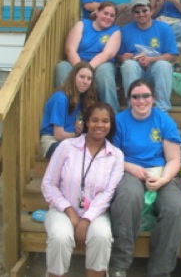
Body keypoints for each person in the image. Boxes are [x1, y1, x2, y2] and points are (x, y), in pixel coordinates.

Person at [109, 79, 181, 277]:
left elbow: (173, 159)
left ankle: (160, 271)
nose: (141, 100)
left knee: (176, 209)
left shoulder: (164, 121)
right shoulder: (119, 121)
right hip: (129, 170)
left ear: (153, 98)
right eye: (136, 96)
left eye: (146, 96)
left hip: (161, 172)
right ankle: (120, 264)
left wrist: (163, 179)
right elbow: (111, 157)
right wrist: (130, 167)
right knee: (128, 197)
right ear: (129, 100)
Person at [41, 102, 124, 277]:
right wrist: (70, 211)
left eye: (105, 121)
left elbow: (108, 193)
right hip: (62, 209)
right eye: (94, 120)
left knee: (101, 237)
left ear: (111, 125)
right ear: (86, 122)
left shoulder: (116, 155)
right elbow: (48, 183)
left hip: (96, 212)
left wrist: (86, 219)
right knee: (60, 237)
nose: (100, 125)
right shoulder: (66, 147)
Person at [55, 1, 121, 114]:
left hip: (100, 65)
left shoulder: (115, 31)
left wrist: (86, 70)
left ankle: (112, 114)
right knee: (62, 67)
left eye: (112, 15)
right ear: (97, 12)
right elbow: (70, 50)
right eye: (105, 13)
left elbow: (107, 54)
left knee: (105, 71)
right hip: (77, 62)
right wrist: (80, 69)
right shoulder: (82, 24)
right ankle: (66, 112)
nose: (108, 17)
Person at [118, 0, 179, 112]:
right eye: (137, 12)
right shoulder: (125, 30)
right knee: (128, 65)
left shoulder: (164, 28)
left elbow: (173, 55)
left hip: (155, 71)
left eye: (144, 10)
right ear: (133, 15)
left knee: (164, 65)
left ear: (151, 11)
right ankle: (133, 108)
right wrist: (123, 57)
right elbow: (118, 56)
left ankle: (162, 110)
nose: (141, 14)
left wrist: (151, 59)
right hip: (135, 70)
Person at [40, 61, 97, 159]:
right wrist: (76, 134)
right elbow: (58, 134)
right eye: (82, 77)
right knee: (80, 155)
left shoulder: (81, 99)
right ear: (73, 77)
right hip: (52, 141)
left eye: (89, 78)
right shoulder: (60, 98)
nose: (85, 81)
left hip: (71, 141)